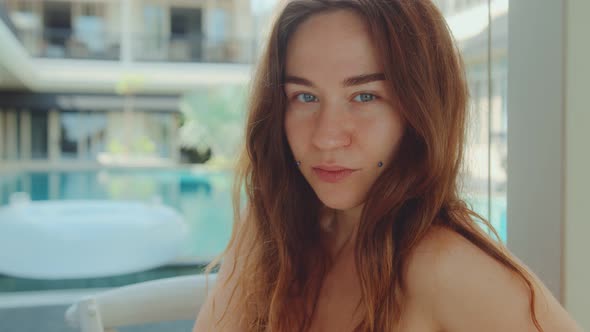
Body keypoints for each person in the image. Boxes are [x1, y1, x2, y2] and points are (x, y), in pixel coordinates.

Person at [194, 0, 582, 331]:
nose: (327, 136)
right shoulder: (273, 234)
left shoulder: (443, 267)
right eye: (305, 96)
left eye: (365, 96)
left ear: (419, 110)